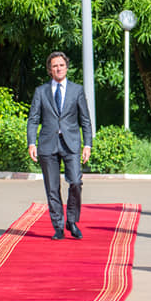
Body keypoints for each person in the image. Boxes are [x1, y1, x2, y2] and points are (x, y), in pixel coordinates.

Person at [27, 51, 93, 240]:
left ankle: (71, 220)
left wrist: (87, 144)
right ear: (50, 70)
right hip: (47, 145)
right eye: (55, 66)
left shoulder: (76, 90)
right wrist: (32, 142)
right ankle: (58, 226)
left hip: (71, 144)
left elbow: (85, 120)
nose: (58, 68)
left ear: (67, 67)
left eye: (61, 65)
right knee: (52, 188)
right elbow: (33, 119)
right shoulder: (41, 91)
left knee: (75, 183)